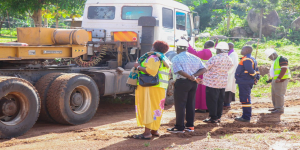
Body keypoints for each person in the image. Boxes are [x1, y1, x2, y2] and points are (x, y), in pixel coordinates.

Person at [132, 41, 171, 140]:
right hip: (160, 87)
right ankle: (154, 130)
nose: (151, 47)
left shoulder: (153, 57)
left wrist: (138, 66)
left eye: (153, 46)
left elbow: (151, 72)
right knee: (156, 108)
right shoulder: (164, 58)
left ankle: (147, 133)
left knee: (149, 108)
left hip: (150, 87)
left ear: (155, 47)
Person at [167, 44, 207, 133]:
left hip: (182, 82)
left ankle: (179, 127)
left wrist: (190, 77)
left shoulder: (176, 58)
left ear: (178, 48)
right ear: (186, 48)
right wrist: (194, 76)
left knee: (180, 105)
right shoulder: (195, 57)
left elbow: (179, 71)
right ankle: (190, 126)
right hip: (193, 84)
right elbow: (204, 69)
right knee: (191, 104)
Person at [203, 42, 234, 123]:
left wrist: (195, 75)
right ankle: (218, 117)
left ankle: (213, 117)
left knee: (212, 101)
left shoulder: (214, 58)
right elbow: (230, 68)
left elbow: (205, 68)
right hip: (222, 83)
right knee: (220, 101)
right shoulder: (229, 59)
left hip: (212, 83)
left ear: (219, 50)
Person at [188, 39, 217, 113]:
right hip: (213, 73)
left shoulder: (206, 51)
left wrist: (188, 43)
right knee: (211, 90)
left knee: (202, 90)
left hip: (204, 72)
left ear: (206, 45)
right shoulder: (215, 50)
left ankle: (203, 107)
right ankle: (209, 107)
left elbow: (195, 53)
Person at [235, 46, 260, 122]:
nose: (241, 50)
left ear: (247, 50)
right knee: (244, 98)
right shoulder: (252, 58)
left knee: (245, 98)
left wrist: (255, 77)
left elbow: (251, 70)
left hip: (245, 81)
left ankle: (246, 117)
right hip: (245, 81)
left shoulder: (247, 59)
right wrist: (256, 77)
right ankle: (245, 115)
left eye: (242, 49)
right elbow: (257, 70)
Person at [265, 48, 291, 113]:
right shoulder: (275, 60)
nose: (270, 58)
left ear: (273, 54)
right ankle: (276, 107)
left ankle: (280, 109)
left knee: (279, 94)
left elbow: (284, 69)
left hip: (281, 80)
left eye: (270, 56)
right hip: (276, 79)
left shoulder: (282, 59)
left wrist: (279, 78)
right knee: (274, 94)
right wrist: (271, 78)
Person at [224, 43, 239, 110]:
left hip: (230, 74)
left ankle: (226, 104)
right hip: (230, 74)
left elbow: (230, 65)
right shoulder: (231, 53)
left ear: (229, 47)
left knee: (227, 88)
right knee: (228, 88)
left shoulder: (232, 54)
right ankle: (226, 104)